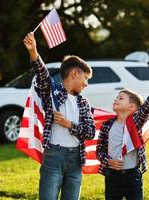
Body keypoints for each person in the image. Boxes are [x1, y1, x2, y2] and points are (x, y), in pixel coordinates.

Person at [23, 32, 96, 200]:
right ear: (74, 74)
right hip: (53, 156)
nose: (86, 84)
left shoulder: (83, 103)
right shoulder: (52, 93)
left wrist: (69, 124)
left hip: (76, 158)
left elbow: (90, 132)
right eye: (85, 78)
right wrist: (33, 51)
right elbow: (42, 74)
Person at [96, 76, 149, 200]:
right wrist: (109, 161)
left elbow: (146, 108)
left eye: (120, 98)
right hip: (112, 177)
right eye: (116, 97)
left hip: (133, 176)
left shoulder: (135, 122)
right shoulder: (107, 125)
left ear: (131, 107)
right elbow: (100, 151)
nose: (116, 99)